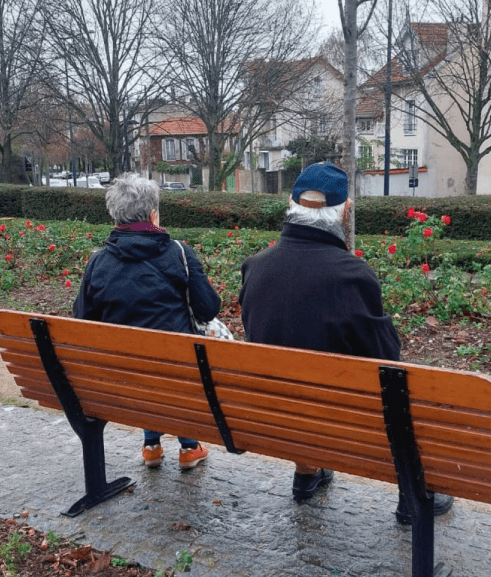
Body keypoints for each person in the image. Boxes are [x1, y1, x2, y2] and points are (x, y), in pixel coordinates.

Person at [239, 161, 453, 523]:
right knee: (402, 390)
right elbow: (388, 358)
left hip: (273, 415)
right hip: (344, 423)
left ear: (290, 204)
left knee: (295, 382)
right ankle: (412, 497)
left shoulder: (255, 266)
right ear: (345, 211)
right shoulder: (353, 275)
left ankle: (307, 473)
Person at [73, 172, 221, 470]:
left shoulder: (99, 262)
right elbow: (207, 309)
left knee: (140, 362)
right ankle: (189, 446)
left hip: (122, 378)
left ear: (115, 216)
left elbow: (82, 319)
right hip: (178, 371)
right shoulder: (178, 253)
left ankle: (151, 445)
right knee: (175, 362)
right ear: (153, 215)